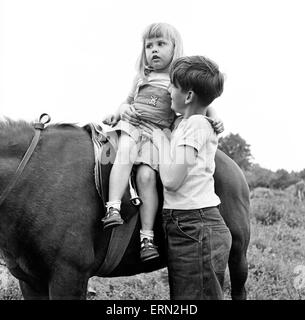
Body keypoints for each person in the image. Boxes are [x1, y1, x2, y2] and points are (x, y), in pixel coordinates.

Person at [102, 23, 223, 262]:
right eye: (149, 46)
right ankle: (113, 206)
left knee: (146, 176)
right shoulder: (142, 76)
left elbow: (203, 101)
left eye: (160, 44)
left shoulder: (177, 79)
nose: (153, 50)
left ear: (175, 48)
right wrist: (121, 111)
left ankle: (146, 237)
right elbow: (126, 101)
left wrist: (216, 118)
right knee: (124, 152)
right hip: (134, 127)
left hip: (157, 134)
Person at [140, 55, 232, 299]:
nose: (168, 91)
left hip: (196, 226)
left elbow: (171, 180)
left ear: (189, 96)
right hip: (188, 225)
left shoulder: (197, 126)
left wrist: (159, 139)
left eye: (173, 86)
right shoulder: (185, 123)